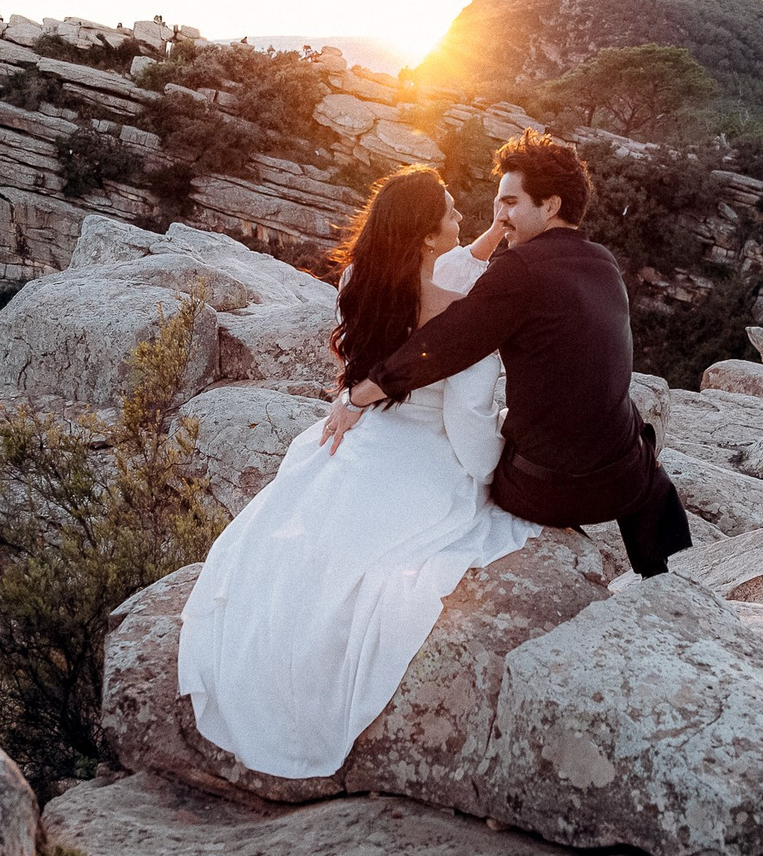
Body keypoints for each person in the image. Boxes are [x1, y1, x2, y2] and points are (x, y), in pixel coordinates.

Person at [176, 165, 533, 780]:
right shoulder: (464, 316)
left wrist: (489, 241)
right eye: (450, 212)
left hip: (368, 436)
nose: (459, 219)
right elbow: (469, 420)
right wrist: (492, 472)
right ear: (425, 235)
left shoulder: (359, 283)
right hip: (425, 455)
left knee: (308, 538)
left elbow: (428, 294)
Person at [318, 130, 693, 577]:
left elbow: (443, 345)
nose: (500, 215)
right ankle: (656, 574)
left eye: (511, 203)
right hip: (627, 480)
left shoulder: (519, 270)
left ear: (550, 206)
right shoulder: (603, 262)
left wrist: (356, 396)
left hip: (544, 492)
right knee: (620, 414)